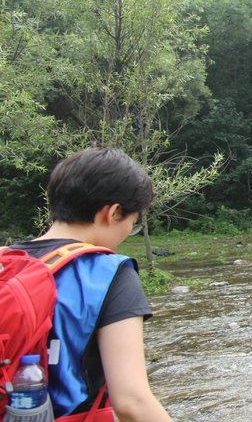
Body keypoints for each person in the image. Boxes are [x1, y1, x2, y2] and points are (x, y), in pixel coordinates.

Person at [9, 148, 171, 422]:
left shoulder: (7, 262)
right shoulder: (110, 272)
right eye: (131, 223)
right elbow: (131, 401)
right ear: (113, 212)